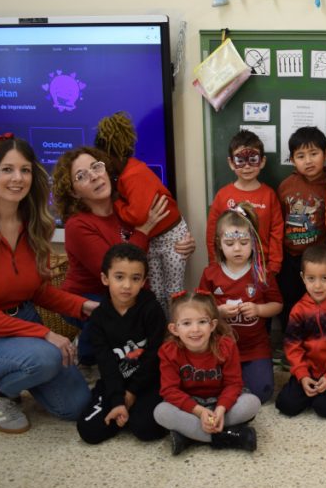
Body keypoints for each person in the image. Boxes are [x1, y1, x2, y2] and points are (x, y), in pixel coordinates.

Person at [0, 133, 96, 433]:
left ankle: (26, 367)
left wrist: (85, 306)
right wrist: (44, 334)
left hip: (23, 321)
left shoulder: (36, 224)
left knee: (76, 406)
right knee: (48, 357)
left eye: (25, 170)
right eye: (7, 169)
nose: (18, 178)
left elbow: (37, 291)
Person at [51, 145, 184, 362]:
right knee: (124, 316)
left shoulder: (125, 208)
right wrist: (143, 231)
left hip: (123, 290)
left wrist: (182, 243)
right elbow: (116, 269)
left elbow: (160, 239)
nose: (94, 176)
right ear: (74, 192)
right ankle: (87, 359)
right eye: (81, 176)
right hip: (87, 298)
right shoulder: (77, 225)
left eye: (96, 167)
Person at [95, 112, 195, 300]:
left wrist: (117, 202)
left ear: (112, 154)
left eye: (103, 159)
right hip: (152, 238)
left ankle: (175, 320)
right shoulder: (124, 175)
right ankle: (161, 320)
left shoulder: (133, 174)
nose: (103, 166)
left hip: (172, 236)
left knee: (174, 292)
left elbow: (138, 216)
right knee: (155, 293)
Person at [76, 243, 167, 444]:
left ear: (143, 281)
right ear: (105, 278)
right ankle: (124, 412)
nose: (127, 285)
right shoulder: (98, 318)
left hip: (149, 381)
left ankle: (133, 414)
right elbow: (105, 362)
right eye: (119, 277)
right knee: (89, 430)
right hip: (114, 383)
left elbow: (155, 355)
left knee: (146, 429)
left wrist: (132, 392)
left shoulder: (152, 310)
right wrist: (118, 400)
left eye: (135, 278)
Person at [153, 291, 262, 455]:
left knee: (252, 403)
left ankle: (190, 436)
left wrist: (220, 409)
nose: (195, 329)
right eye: (186, 323)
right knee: (161, 412)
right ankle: (229, 436)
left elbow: (233, 384)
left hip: (221, 401)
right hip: (190, 405)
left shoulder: (226, 346)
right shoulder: (169, 351)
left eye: (202, 322)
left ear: (212, 325)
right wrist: (200, 411)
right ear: (174, 329)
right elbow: (169, 390)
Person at [198, 204, 282, 403]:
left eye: (244, 242)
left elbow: (277, 304)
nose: (237, 248)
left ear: (254, 242)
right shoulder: (210, 274)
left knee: (262, 393)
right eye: (229, 243)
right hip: (219, 347)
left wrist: (258, 309)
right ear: (219, 244)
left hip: (255, 348)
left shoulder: (262, 273)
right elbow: (199, 310)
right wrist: (218, 311)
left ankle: (241, 383)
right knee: (208, 389)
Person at [276, 245, 326, 418]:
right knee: (285, 405)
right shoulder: (299, 310)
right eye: (311, 278)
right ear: (302, 278)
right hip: (308, 370)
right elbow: (292, 346)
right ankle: (309, 390)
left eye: (325, 278)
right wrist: (302, 375)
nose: (318, 285)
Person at [277, 126, 326, 326]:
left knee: (321, 304)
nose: (308, 161)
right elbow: (278, 222)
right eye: (301, 156)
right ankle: (290, 337)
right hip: (291, 258)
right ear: (292, 160)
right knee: (289, 301)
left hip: (321, 259)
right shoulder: (286, 186)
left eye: (313, 154)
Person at [205, 128, 284, 274]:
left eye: (253, 160)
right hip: (229, 266)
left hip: (262, 268)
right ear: (231, 163)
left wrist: (274, 265)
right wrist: (215, 263)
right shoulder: (222, 196)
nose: (247, 166)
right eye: (240, 160)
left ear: (262, 161)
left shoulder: (269, 195)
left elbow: (276, 233)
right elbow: (212, 233)